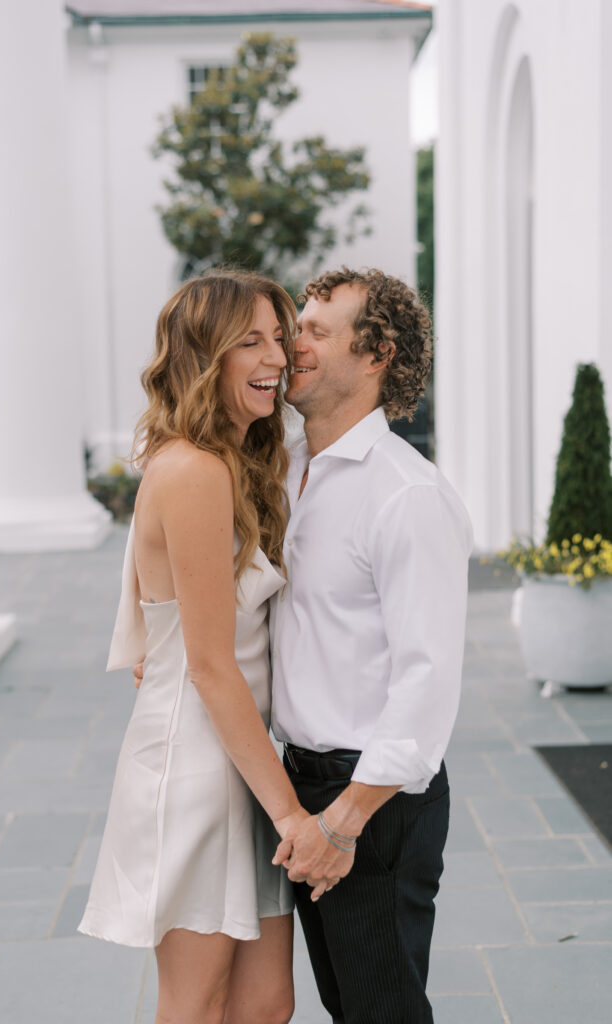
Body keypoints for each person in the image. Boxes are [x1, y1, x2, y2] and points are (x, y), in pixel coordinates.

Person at [78, 270, 342, 1024]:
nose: (276, 359)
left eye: (278, 339)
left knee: (265, 1003)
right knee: (198, 1004)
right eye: (249, 342)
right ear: (205, 356)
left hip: (245, 757)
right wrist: (295, 817)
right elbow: (209, 664)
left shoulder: (237, 461)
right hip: (198, 761)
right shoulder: (192, 470)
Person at [270, 267, 473, 1024]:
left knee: (381, 1011)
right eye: (298, 327)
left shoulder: (407, 494)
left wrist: (343, 822)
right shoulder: (289, 469)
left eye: (318, 331)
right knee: (349, 1005)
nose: (296, 344)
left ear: (378, 352)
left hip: (372, 805)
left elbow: (428, 679)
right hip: (303, 788)